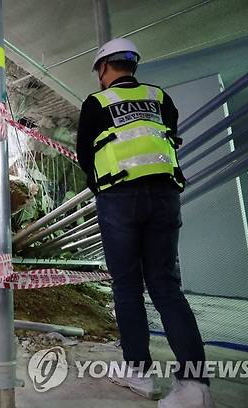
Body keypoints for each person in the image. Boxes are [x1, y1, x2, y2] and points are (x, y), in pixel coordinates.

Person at [76, 38, 214, 408]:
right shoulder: (159, 98)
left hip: (119, 199)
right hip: (165, 197)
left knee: (126, 287)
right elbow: (166, 136)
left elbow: (83, 155)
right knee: (166, 286)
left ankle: (138, 373)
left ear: (104, 69)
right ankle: (194, 386)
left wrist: (103, 186)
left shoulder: (96, 102)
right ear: (132, 65)